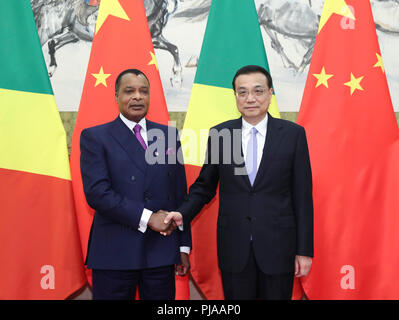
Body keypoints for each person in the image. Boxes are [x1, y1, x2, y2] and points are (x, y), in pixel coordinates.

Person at [164, 65, 313, 300]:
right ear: (235, 96)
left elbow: (302, 196)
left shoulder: (293, 134)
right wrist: (183, 213)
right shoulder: (222, 134)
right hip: (235, 247)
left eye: (258, 91)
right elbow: (204, 187)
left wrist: (304, 251)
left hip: (279, 247)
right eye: (242, 92)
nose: (250, 98)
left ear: (270, 93)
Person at [80, 68, 191, 300]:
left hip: (161, 250)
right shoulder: (95, 137)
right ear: (116, 96)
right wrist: (149, 218)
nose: (137, 96)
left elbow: (180, 194)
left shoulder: (168, 135)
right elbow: (98, 194)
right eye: (129, 91)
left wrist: (182, 246)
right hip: (115, 253)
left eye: (144, 91)